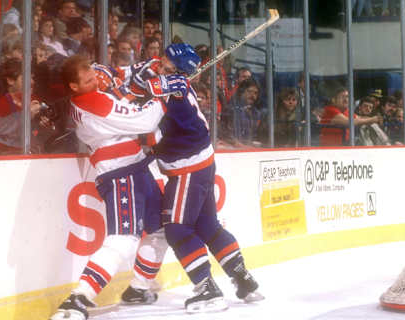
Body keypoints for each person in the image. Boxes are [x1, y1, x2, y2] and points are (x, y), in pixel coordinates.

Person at [119, 43, 261, 312]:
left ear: (179, 72)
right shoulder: (175, 80)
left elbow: (149, 91)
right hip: (200, 164)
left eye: (168, 67)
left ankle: (207, 289)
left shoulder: (176, 85)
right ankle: (243, 278)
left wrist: (138, 78)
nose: (160, 68)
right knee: (208, 225)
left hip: (188, 169)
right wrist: (142, 70)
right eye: (161, 62)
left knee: (176, 228)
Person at [49, 55, 186, 320]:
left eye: (91, 72)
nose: (94, 79)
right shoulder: (92, 102)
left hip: (137, 168)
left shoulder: (95, 90)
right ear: (74, 87)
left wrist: (142, 73)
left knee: (159, 230)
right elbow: (144, 122)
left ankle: (139, 288)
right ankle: (78, 299)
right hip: (120, 175)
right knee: (122, 239)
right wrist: (162, 93)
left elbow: (119, 84)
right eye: (87, 79)